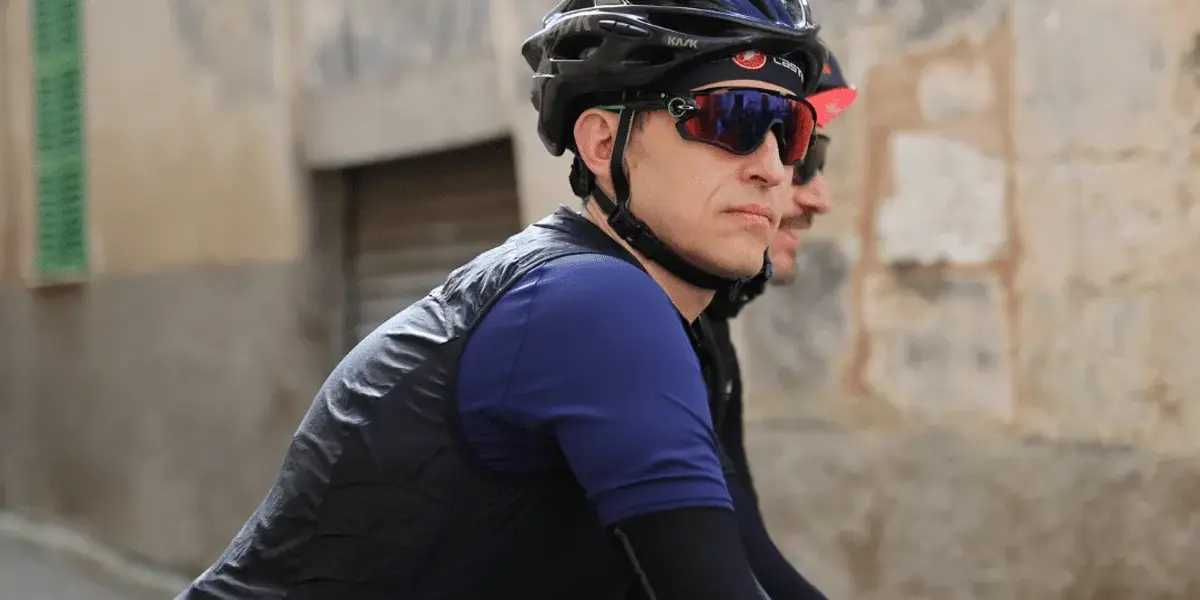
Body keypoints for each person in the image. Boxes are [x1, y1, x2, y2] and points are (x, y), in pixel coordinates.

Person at [175, 1, 828, 599]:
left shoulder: (656, 318)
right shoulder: (596, 302)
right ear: (603, 143)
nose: (772, 167)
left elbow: (753, 567)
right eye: (733, 118)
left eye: (789, 130)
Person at [700, 50, 859, 600]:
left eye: (806, 150)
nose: (820, 198)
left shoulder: (707, 326)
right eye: (803, 158)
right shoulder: (644, 333)